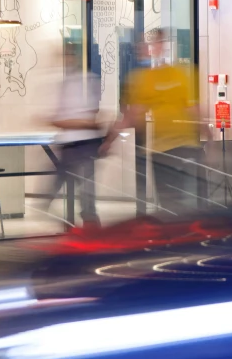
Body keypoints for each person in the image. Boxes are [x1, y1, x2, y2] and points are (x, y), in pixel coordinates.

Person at [104, 29, 208, 216]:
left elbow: (194, 110)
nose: (148, 48)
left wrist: (207, 137)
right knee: (173, 201)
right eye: (145, 44)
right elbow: (132, 115)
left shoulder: (183, 74)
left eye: (153, 43)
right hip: (163, 150)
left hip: (181, 147)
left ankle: (178, 233)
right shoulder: (143, 79)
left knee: (174, 202)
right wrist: (109, 140)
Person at [40, 42, 104, 227]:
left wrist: (62, 122)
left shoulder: (87, 81)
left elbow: (90, 120)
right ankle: (70, 227)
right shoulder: (66, 83)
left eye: (67, 55)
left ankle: (88, 232)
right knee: (56, 190)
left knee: (85, 196)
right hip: (70, 145)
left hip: (83, 145)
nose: (65, 60)